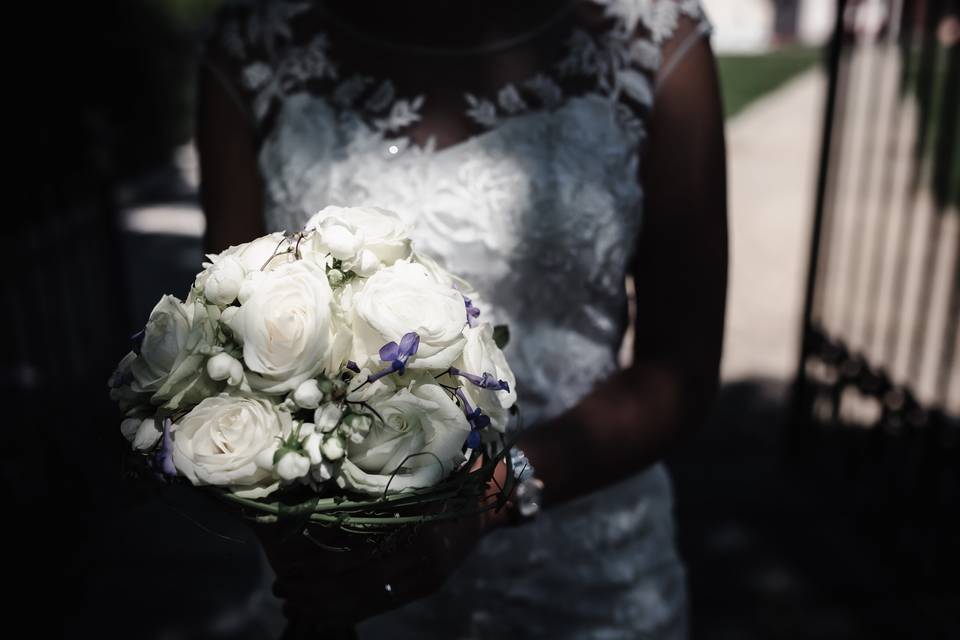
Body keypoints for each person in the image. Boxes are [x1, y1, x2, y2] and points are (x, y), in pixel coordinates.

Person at [197, 0, 727, 637]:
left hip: (586, 581)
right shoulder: (260, 44)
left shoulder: (651, 39)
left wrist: (490, 496)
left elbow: (680, 370)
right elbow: (228, 339)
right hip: (355, 580)